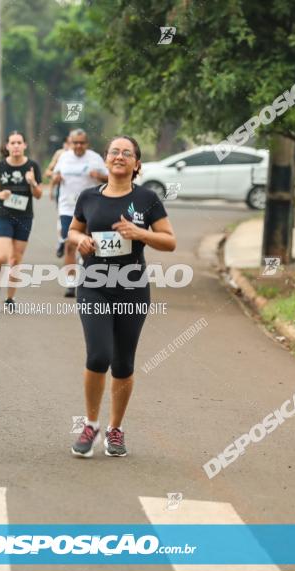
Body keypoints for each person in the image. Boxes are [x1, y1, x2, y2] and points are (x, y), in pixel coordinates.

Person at [66, 136, 176, 458]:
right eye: (114, 151)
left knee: (123, 363)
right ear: (105, 159)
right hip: (94, 284)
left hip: (132, 287)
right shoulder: (88, 197)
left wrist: (139, 233)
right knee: (99, 355)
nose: (120, 156)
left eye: (127, 153)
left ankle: (115, 429)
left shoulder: (147, 199)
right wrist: (79, 240)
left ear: (136, 164)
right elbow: (73, 229)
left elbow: (170, 241)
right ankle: (90, 424)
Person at [0, 131, 42, 311]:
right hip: (4, 216)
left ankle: (10, 298)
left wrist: (32, 183)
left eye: (19, 143)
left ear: (24, 145)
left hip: (24, 218)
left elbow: (38, 195)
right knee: (2, 256)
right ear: (7, 146)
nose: (16, 146)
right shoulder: (0, 167)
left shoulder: (32, 167)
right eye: (12, 143)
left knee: (16, 260)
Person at [54, 129, 107, 297]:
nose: (78, 146)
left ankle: (89, 279)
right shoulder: (64, 157)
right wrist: (55, 178)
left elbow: (110, 178)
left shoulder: (95, 158)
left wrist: (99, 176)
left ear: (87, 144)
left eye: (81, 143)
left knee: (89, 245)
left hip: (91, 207)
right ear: (71, 143)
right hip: (67, 207)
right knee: (70, 244)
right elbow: (54, 174)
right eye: (75, 142)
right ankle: (70, 284)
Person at [46, 136, 71, 257]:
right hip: (63, 192)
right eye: (70, 143)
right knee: (63, 218)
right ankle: (62, 241)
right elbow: (49, 171)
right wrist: (52, 186)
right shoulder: (60, 154)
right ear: (65, 144)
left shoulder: (87, 157)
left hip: (81, 194)